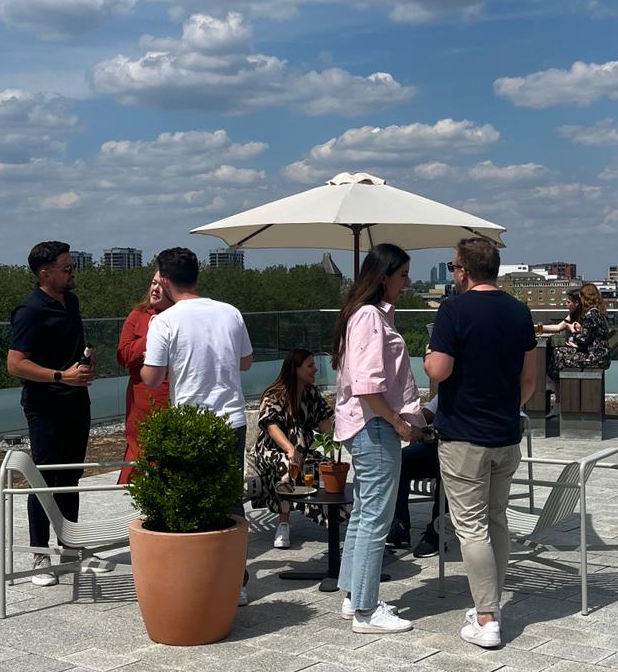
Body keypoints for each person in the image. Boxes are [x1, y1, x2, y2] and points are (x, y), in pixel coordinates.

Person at [423, 237, 537, 649]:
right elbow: (529, 381)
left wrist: (427, 356)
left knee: (471, 527)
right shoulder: (519, 311)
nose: (452, 273)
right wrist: (506, 408)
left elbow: (440, 367)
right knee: (497, 518)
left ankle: (487, 617)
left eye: (453, 267)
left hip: (463, 436)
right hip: (505, 433)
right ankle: (491, 606)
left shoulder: (453, 309)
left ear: (463, 271)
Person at [141, 246, 254, 603]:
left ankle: (199, 580)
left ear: (165, 279)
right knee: (230, 500)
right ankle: (236, 582)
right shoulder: (230, 312)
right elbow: (246, 362)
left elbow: (152, 377)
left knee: (191, 498)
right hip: (231, 418)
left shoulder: (164, 321)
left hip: (190, 423)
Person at [331, 243, 425, 632]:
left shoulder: (365, 315)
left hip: (365, 425)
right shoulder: (370, 317)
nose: (406, 283)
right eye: (402, 275)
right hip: (374, 425)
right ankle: (367, 610)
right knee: (375, 517)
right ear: (384, 276)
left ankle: (355, 596)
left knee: (364, 513)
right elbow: (368, 385)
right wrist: (399, 423)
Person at [7, 240, 96, 585]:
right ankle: (39, 553)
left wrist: (87, 363)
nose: (73, 273)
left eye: (73, 266)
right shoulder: (30, 310)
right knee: (44, 478)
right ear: (46, 273)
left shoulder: (70, 301)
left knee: (71, 476)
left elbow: (73, 347)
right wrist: (61, 376)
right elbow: (15, 363)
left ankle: (69, 545)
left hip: (77, 401)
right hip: (45, 407)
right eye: (67, 268)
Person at [251, 348, 333, 547]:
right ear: (295, 369)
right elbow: (271, 427)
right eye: (310, 366)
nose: (315, 370)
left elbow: (324, 423)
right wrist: (290, 449)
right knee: (286, 465)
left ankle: (335, 520)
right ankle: (283, 523)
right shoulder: (274, 394)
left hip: (302, 450)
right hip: (272, 450)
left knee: (328, 469)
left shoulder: (311, 393)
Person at [115, 273, 172, 484]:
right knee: (141, 455)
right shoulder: (138, 315)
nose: (155, 289)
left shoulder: (182, 315)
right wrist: (151, 336)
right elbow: (124, 356)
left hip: (175, 397)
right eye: (153, 283)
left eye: (163, 286)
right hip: (143, 401)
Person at [386, 410, 442, 557]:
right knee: (399, 461)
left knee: (449, 473)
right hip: (436, 445)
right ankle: (400, 525)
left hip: (464, 446)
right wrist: (411, 424)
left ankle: (438, 531)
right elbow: (427, 413)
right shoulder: (448, 388)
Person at [543, 282, 610, 374]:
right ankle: (560, 383)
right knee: (559, 353)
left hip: (595, 358)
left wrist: (573, 331)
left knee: (558, 354)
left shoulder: (591, 314)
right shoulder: (597, 312)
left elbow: (582, 340)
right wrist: (579, 331)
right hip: (600, 356)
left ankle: (556, 383)